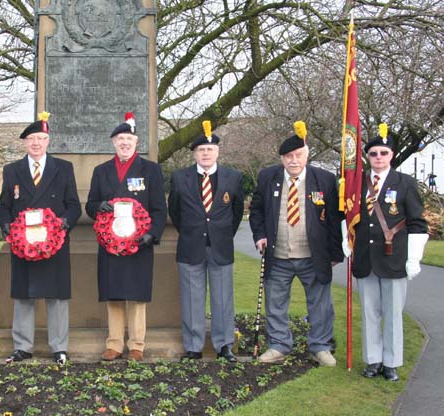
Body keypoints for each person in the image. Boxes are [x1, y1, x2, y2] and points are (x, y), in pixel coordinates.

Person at [249, 121, 343, 366]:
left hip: (313, 256)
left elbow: (334, 217)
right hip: (278, 255)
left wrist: (335, 251)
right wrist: (259, 235)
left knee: (320, 304)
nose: (293, 160)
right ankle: (279, 345)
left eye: (298, 155)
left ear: (306, 154)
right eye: (288, 156)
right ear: (282, 158)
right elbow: (257, 210)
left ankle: (321, 346)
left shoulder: (323, 179)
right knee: (276, 304)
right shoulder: (268, 177)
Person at [0, 112, 81, 364]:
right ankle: (22, 347)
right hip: (24, 245)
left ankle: (59, 347)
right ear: (24, 142)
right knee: (24, 296)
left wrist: (63, 225)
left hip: (54, 244)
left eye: (41, 138)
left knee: (56, 297)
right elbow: (3, 207)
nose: (36, 143)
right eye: (31, 138)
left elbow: (73, 205)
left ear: (48, 141)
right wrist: (9, 228)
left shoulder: (63, 168)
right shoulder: (12, 170)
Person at [349, 124, 428, 382]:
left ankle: (392, 362)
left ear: (391, 155)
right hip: (365, 258)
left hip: (394, 259)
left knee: (393, 313)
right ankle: (373, 360)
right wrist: (345, 239)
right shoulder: (357, 184)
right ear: (367, 156)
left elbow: (417, 222)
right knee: (369, 312)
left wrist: (414, 257)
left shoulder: (404, 183)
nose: (379, 157)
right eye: (373, 153)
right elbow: (347, 214)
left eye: (384, 152)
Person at [85, 112, 167, 362]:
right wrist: (99, 206)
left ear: (136, 142)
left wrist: (152, 235)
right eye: (120, 138)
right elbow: (89, 205)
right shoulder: (101, 171)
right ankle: (114, 344)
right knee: (115, 293)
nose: (124, 143)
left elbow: (159, 209)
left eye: (129, 138)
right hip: (110, 244)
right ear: (113, 142)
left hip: (138, 244)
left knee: (137, 294)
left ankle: (137, 345)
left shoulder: (150, 170)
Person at [168, 121, 243, 362]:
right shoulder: (180, 178)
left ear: (218, 152)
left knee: (223, 299)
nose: (206, 154)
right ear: (194, 153)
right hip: (191, 246)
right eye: (201, 150)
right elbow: (175, 212)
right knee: (192, 299)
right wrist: (193, 231)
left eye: (210, 150)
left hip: (221, 246)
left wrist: (220, 233)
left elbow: (237, 212)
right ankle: (193, 346)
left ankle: (224, 346)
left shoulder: (233, 177)